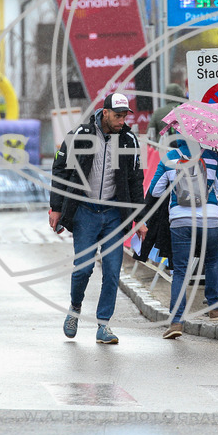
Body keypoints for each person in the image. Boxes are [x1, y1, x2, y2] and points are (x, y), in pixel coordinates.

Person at [49, 93, 147, 344]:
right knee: (83, 268)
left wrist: (140, 219)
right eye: (117, 115)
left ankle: (104, 325)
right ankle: (75, 308)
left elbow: (137, 181)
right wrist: (56, 208)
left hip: (115, 214)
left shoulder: (128, 140)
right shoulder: (80, 135)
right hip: (85, 211)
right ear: (104, 113)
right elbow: (59, 170)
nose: (122, 120)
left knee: (113, 271)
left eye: (125, 116)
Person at [147, 138, 218, 339]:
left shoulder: (169, 158)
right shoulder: (212, 158)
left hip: (181, 220)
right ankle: (215, 307)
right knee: (212, 261)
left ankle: (177, 321)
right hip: (210, 219)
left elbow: (155, 190)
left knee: (181, 271)